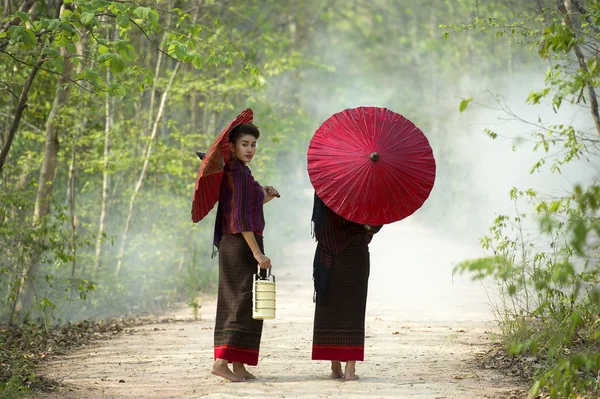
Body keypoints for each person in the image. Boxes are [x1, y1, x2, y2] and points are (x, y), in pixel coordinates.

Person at [210, 123, 280, 382]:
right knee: (240, 302)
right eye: (245, 144)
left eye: (253, 144)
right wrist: (257, 255)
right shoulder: (237, 173)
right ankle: (221, 362)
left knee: (247, 302)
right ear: (231, 147)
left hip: (239, 244)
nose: (250, 149)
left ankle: (239, 365)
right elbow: (240, 219)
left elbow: (246, 204)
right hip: (241, 246)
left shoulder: (239, 171)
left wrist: (265, 196)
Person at [311, 192, 382, 381]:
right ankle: (350, 369)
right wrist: (367, 226)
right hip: (355, 253)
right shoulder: (365, 186)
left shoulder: (326, 184)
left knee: (330, 307)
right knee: (353, 309)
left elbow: (320, 224)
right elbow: (374, 225)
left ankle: (335, 367)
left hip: (329, 253)